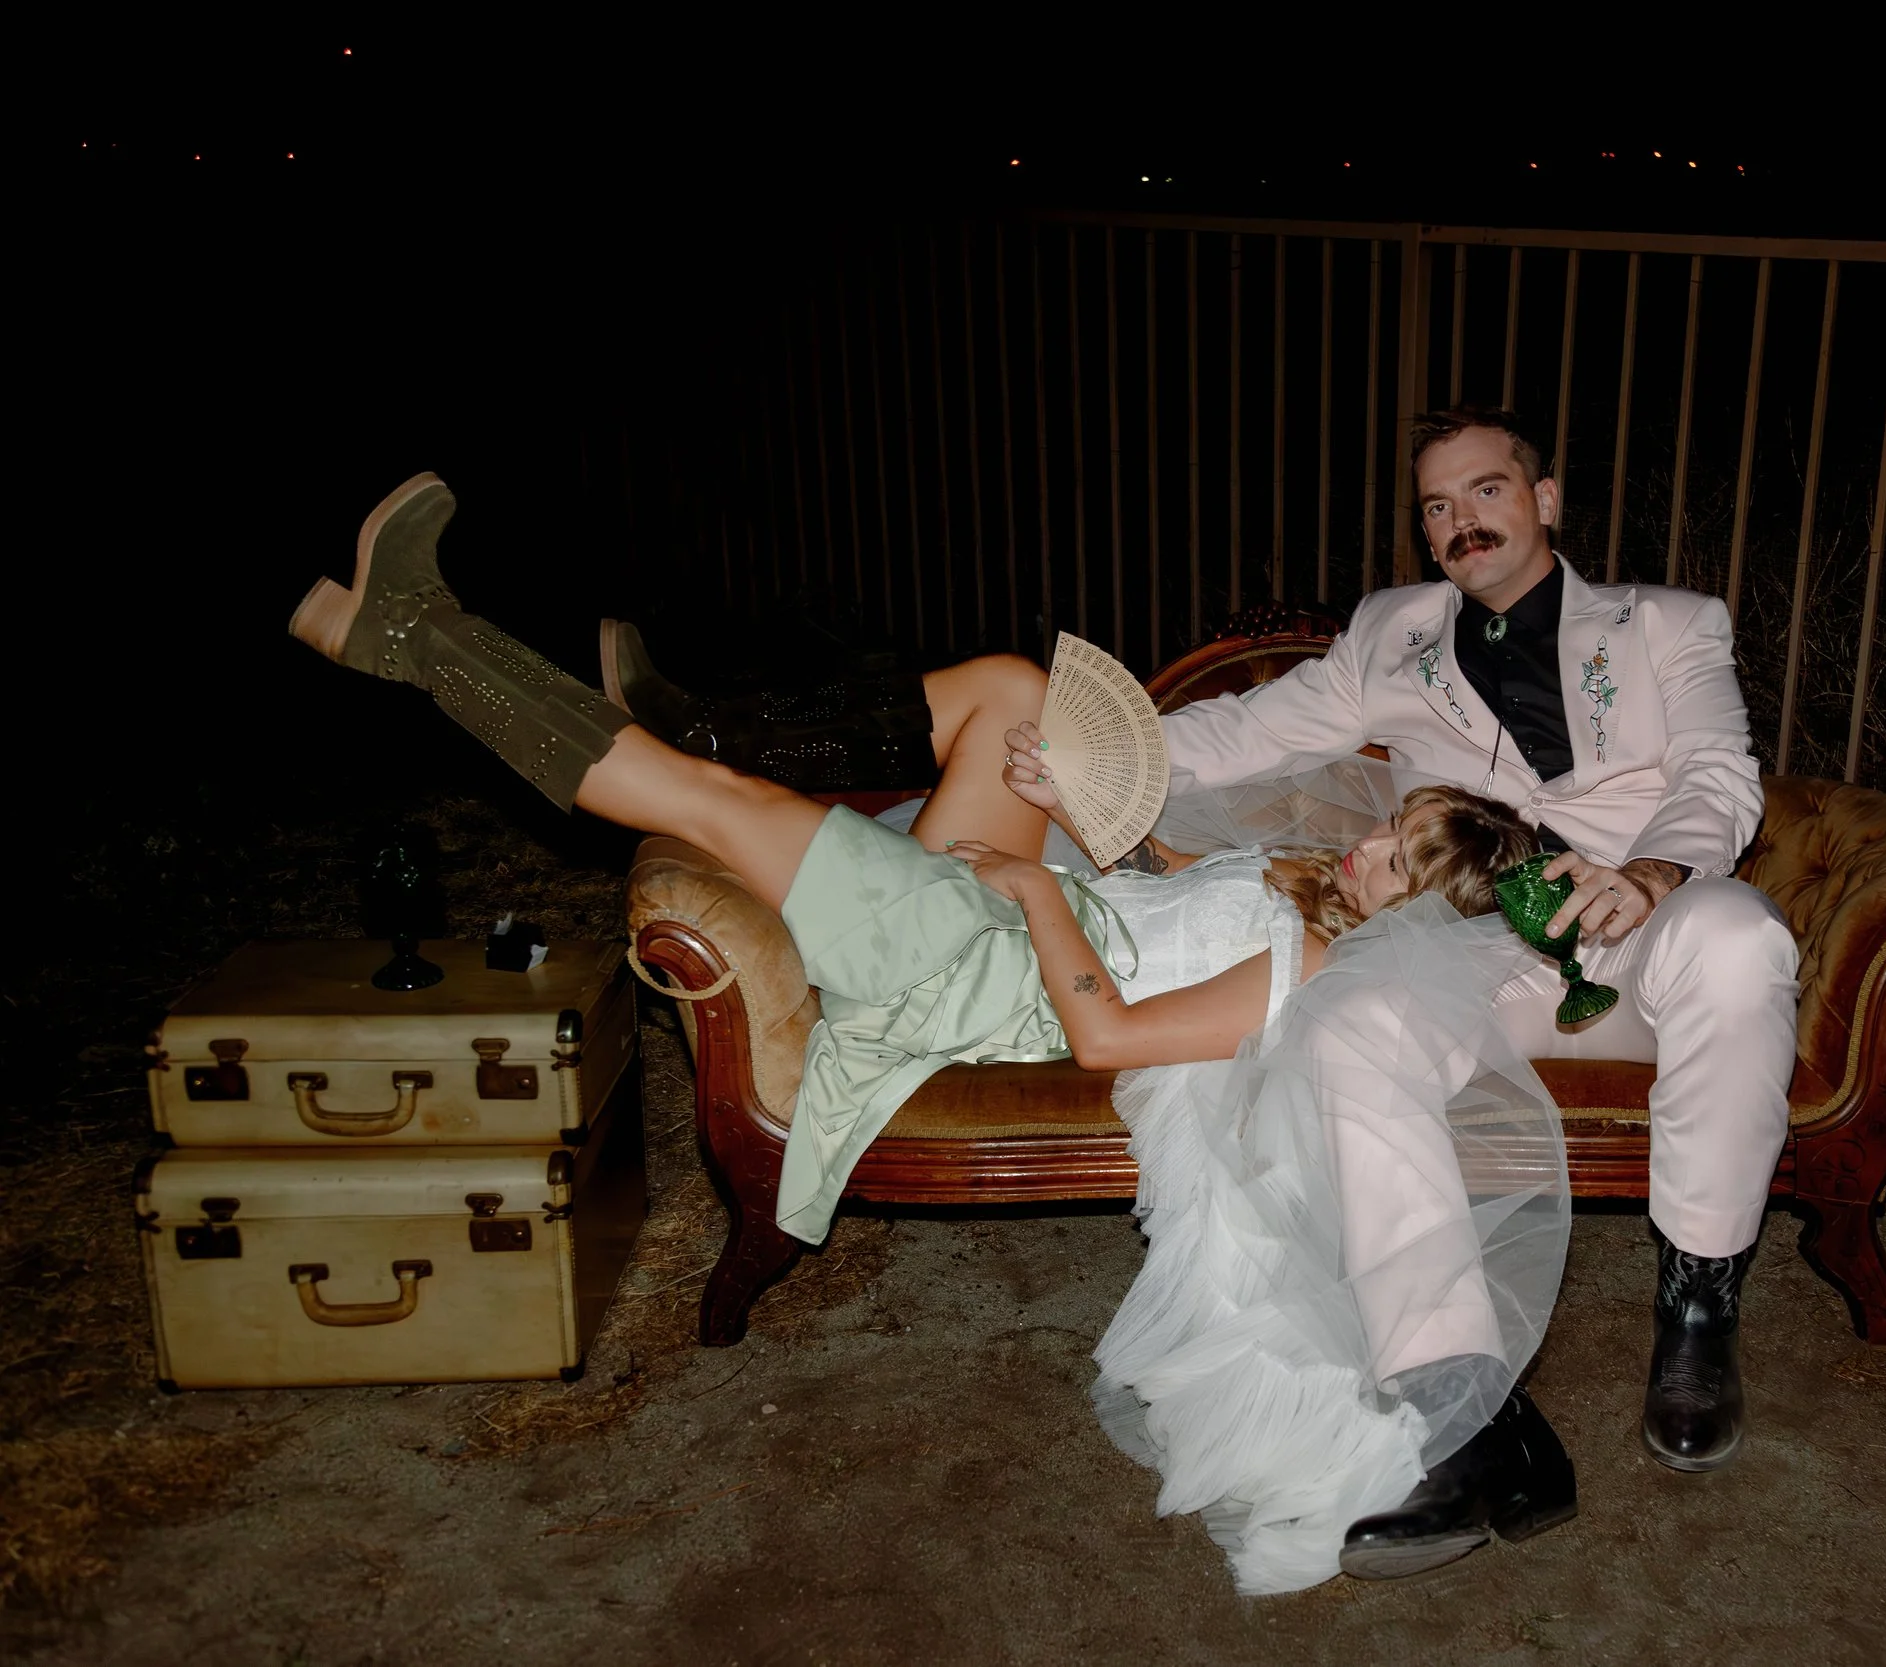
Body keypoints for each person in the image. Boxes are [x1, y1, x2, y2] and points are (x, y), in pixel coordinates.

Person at [288, 472, 1578, 1591]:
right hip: (1006, 917)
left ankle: (414, 635)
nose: (1363, 840)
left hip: (973, 966)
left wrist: (1030, 892)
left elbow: (1113, 1040)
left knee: (712, 800)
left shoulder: (1310, 965)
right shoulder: (1305, 885)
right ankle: (673, 700)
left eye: (1391, 859)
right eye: (1388, 826)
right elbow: (1176, 876)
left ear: (1413, 916)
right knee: (1013, 692)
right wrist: (1085, 814)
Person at [1014, 407, 1803, 1484]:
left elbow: (1718, 772)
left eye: (1485, 490)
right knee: (1345, 1018)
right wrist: (1083, 758)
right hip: (1471, 948)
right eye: (1436, 505)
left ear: (1545, 498)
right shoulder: (1394, 629)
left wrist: (1651, 874)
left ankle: (1699, 1313)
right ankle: (1450, 1393)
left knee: (1738, 934)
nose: (1459, 521)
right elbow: (1250, 728)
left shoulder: (1666, 623)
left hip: (1632, 923)